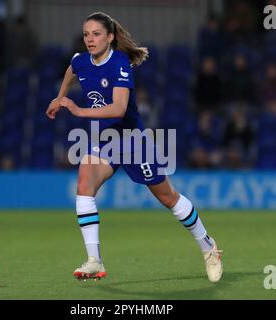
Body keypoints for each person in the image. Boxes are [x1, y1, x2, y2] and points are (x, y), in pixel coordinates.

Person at [45, 12, 223, 283]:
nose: (90, 39)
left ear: (110, 37)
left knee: (168, 198)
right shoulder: (80, 61)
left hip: (131, 141)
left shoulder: (119, 63)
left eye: (96, 34)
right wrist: (59, 98)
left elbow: (117, 109)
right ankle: (94, 260)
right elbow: (71, 71)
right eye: (86, 34)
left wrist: (78, 111)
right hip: (103, 141)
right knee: (84, 185)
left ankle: (208, 248)